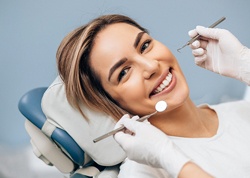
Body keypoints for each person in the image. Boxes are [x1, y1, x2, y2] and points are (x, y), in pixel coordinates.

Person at [56, 14, 250, 178]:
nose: (151, 66)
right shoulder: (144, 171)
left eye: (145, 45)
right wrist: (168, 157)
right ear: (110, 101)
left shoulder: (242, 110)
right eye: (123, 72)